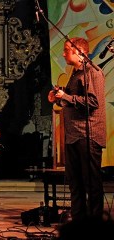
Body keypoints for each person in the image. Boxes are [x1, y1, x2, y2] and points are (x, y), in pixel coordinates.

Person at [48, 37, 106, 221]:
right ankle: (79, 221)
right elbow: (74, 99)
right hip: (74, 135)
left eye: (67, 50)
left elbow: (92, 102)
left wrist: (66, 96)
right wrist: (58, 97)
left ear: (80, 52)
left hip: (88, 134)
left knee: (91, 182)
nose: (64, 53)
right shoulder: (76, 73)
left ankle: (95, 221)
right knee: (75, 182)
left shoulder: (92, 73)